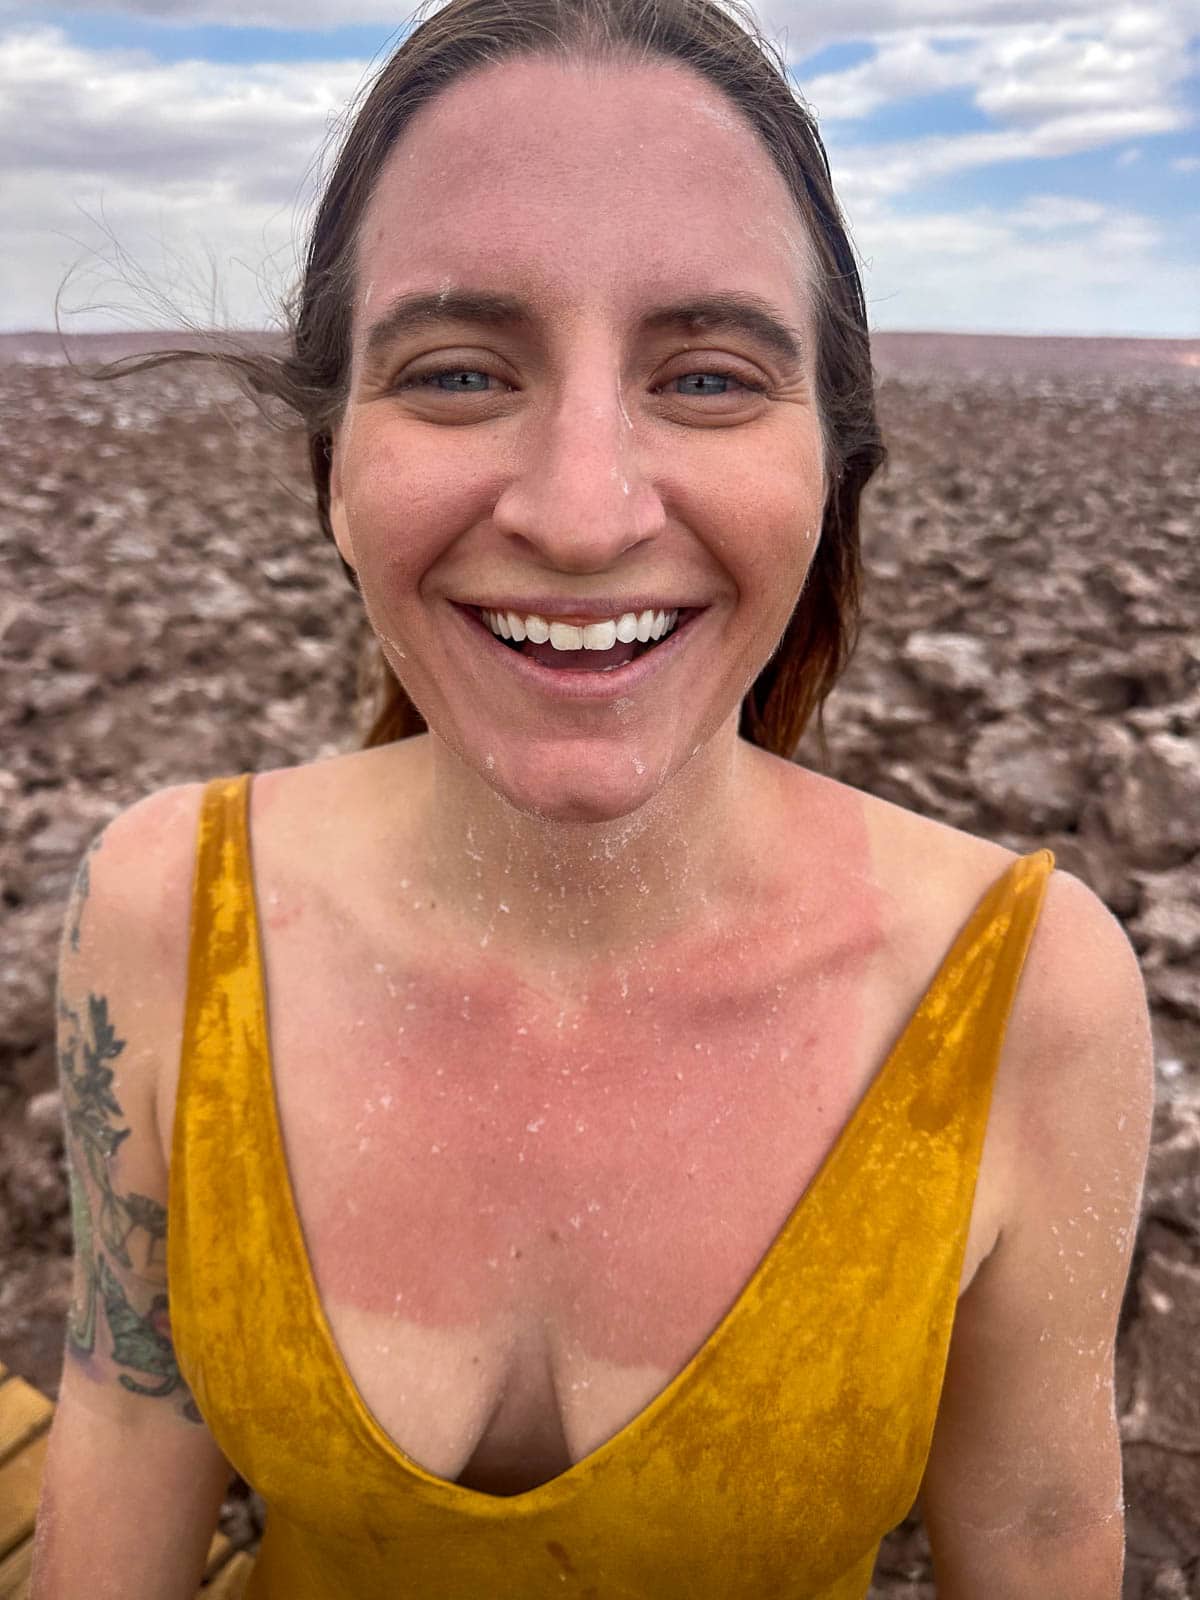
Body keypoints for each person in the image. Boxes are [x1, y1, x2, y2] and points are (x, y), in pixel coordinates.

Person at [33, 0, 1154, 1594]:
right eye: (457, 372)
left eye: (705, 379)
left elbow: (1038, 1536)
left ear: (831, 462)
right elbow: (126, 1415)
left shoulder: (1029, 996)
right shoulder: (164, 911)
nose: (581, 514)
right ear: (332, 465)